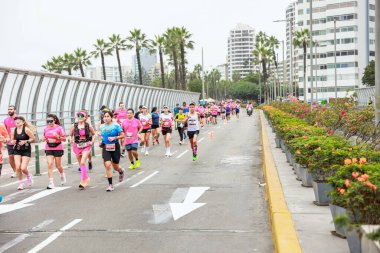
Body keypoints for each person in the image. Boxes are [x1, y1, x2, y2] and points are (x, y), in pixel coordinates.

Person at [69, 111, 96, 189]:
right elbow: (70, 135)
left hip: (86, 145)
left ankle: (83, 181)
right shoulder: (73, 126)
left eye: (82, 116)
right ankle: (86, 178)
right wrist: (70, 139)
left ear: (85, 118)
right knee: (81, 164)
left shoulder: (88, 125)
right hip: (77, 145)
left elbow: (94, 134)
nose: (80, 117)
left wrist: (92, 141)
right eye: (79, 116)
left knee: (83, 162)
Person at [99, 111, 125, 192]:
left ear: (111, 117)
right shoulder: (102, 126)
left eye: (108, 116)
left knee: (116, 166)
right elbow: (101, 136)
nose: (106, 118)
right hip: (106, 147)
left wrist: (114, 138)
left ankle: (121, 171)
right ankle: (110, 185)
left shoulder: (116, 125)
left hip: (115, 147)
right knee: (107, 165)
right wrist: (100, 140)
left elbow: (122, 135)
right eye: (105, 116)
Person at [10, 116, 35, 190]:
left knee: (23, 168)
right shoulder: (13, 130)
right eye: (16, 122)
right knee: (18, 167)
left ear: (23, 122)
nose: (17, 123)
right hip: (17, 149)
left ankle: (28, 176)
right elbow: (12, 140)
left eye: (19, 121)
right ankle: (21, 183)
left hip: (26, 149)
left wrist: (25, 141)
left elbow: (33, 138)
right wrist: (13, 141)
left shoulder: (26, 130)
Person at [43, 114, 66, 189]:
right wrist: (44, 139)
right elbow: (45, 137)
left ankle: (62, 174)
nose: (49, 123)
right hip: (49, 147)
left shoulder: (59, 128)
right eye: (47, 121)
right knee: (50, 164)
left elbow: (64, 139)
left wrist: (58, 137)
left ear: (54, 120)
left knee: (58, 165)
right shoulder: (46, 129)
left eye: (51, 121)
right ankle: (51, 182)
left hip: (58, 147)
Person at [4, 105, 18, 178]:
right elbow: (5, 131)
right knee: (11, 156)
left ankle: (20, 168)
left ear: (15, 110)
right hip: (10, 142)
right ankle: (15, 171)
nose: (9, 110)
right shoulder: (6, 120)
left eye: (11, 109)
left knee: (19, 157)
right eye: (8, 109)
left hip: (19, 141)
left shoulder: (19, 119)